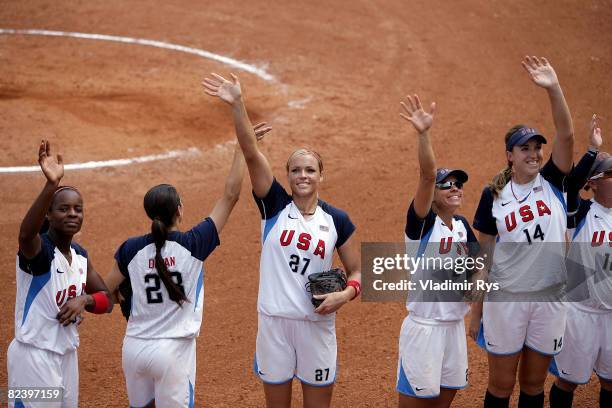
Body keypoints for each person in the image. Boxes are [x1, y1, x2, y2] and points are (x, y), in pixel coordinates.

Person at [203, 72, 361, 408]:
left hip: (316, 327)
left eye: (310, 170)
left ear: (321, 175)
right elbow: (250, 153)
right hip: (273, 324)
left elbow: (358, 271)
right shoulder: (274, 205)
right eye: (296, 170)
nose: (302, 176)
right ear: (287, 175)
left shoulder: (337, 220)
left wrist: (345, 295)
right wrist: (238, 104)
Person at [103, 120, 270, 407]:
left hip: (134, 349)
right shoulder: (193, 244)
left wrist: (126, 298)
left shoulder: (130, 249)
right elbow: (230, 196)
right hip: (173, 354)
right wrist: (240, 148)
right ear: (179, 210)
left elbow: (105, 292)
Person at [470, 56, 575, 408]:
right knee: (501, 385)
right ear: (509, 156)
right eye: (524, 148)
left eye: (536, 148)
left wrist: (553, 87)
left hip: (549, 297)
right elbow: (484, 257)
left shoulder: (554, 182)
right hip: (507, 299)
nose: (534, 154)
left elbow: (566, 133)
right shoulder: (493, 196)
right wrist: (477, 311)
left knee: (533, 385)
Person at [7, 140, 113, 408]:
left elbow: (108, 300)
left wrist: (85, 300)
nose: (73, 214)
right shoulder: (40, 255)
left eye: (78, 209)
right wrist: (51, 185)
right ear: (50, 215)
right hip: (34, 358)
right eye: (63, 209)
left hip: (67, 355)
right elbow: (25, 234)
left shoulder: (80, 257)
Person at [397, 94, 479, 408]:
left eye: (459, 183)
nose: (456, 187)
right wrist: (423, 134)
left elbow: (477, 266)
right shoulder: (420, 226)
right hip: (425, 332)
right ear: (433, 196)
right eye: (448, 185)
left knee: (443, 402)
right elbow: (427, 175)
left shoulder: (460, 226)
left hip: (453, 329)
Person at [548, 115, 611, 408]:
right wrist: (590, 150)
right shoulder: (581, 213)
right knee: (568, 380)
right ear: (594, 183)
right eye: (610, 173)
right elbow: (569, 186)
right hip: (580, 313)